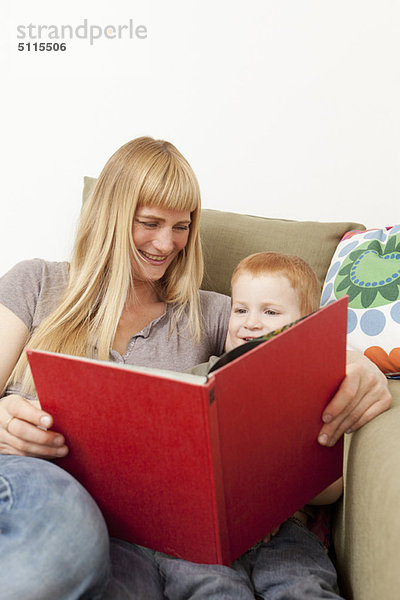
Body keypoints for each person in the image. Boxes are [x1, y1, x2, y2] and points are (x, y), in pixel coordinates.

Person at [0, 136, 391, 599]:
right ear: (109, 214)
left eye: (181, 227)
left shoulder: (212, 313)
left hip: (144, 536)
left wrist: (360, 367)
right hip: (30, 484)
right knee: (70, 540)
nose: (166, 244)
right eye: (149, 223)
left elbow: (289, 346)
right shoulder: (37, 282)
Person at [155, 251, 343, 599]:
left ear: (307, 325)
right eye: (240, 310)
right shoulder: (198, 377)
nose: (250, 323)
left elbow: (333, 488)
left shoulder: (316, 389)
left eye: (269, 312)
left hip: (287, 527)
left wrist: (273, 498)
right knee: (208, 586)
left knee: (303, 586)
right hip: (206, 531)